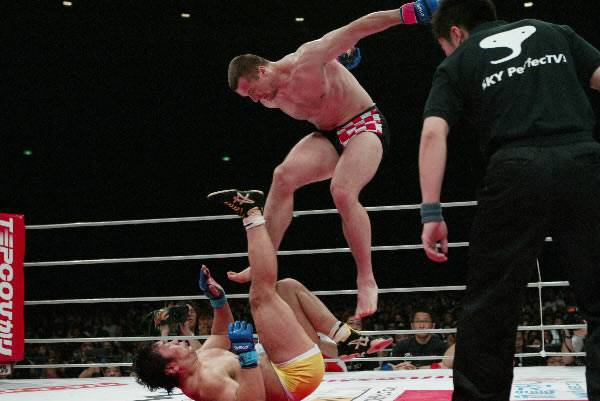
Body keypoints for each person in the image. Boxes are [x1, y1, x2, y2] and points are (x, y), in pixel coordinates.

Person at [417, 0, 600, 399]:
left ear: (455, 33)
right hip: (583, 163)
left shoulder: (460, 58)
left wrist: (431, 210)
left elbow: (433, 133)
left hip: (514, 170)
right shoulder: (554, 31)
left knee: (490, 306)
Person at [226, 0, 440, 319]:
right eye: (249, 98)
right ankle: (262, 259)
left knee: (342, 191)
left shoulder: (307, 58)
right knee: (282, 176)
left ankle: (366, 279)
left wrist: (408, 13)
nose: (256, 100)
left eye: (253, 91)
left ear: (261, 70)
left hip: (364, 124)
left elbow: (358, 28)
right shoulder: (271, 98)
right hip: (329, 134)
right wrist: (341, 60)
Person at [133, 189, 392, 401]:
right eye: (168, 345)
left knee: (286, 288)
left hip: (288, 366)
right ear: (172, 368)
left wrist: (218, 301)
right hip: (293, 377)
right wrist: (246, 355)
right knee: (260, 296)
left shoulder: (200, 360)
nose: (176, 341)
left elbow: (221, 335)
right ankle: (251, 212)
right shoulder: (204, 385)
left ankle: (345, 338)